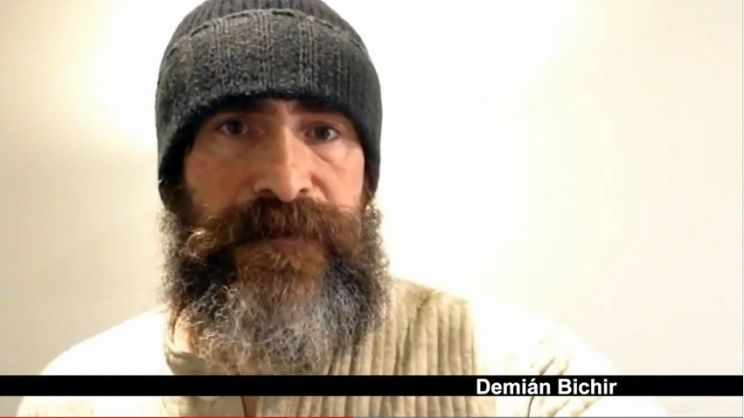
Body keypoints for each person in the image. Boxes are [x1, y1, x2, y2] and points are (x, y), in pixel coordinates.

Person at [18, 0, 664, 416]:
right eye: (235, 127)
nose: (285, 181)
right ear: (176, 175)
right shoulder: (77, 396)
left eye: (323, 131)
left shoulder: (518, 370)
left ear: (367, 177)